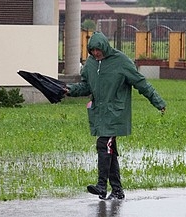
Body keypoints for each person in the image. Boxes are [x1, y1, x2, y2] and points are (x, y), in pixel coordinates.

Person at [65, 31, 166, 200]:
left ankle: (101, 186)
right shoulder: (90, 64)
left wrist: (158, 102)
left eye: (98, 50)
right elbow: (85, 87)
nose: (96, 53)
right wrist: (69, 90)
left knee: (103, 144)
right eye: (92, 50)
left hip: (116, 114)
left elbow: (141, 83)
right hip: (99, 113)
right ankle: (117, 191)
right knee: (109, 150)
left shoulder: (121, 61)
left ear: (105, 47)